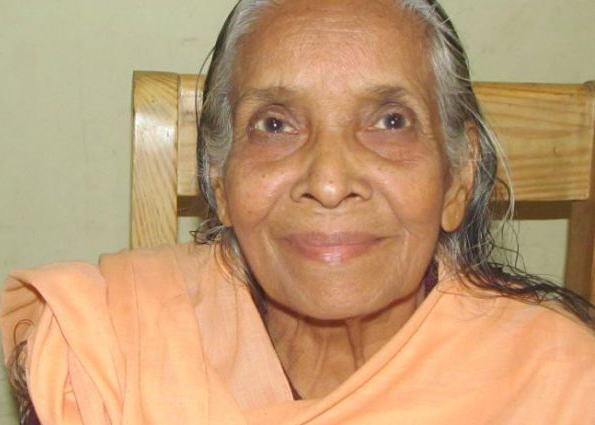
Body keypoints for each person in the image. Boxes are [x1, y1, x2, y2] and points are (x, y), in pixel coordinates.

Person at [3, 0, 595, 424]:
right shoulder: (108, 351)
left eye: (391, 121)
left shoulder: (561, 383)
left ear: (458, 178)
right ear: (219, 178)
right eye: (275, 125)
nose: (330, 183)